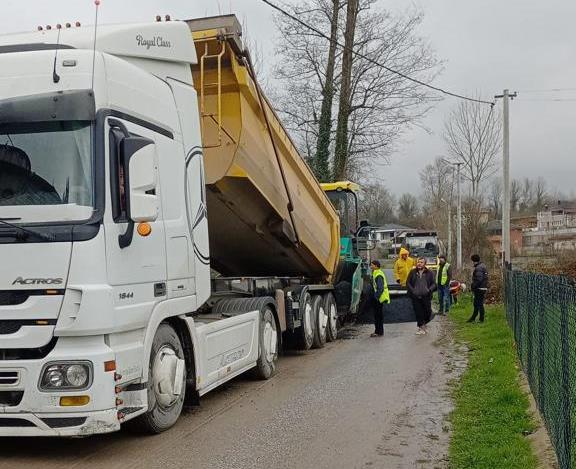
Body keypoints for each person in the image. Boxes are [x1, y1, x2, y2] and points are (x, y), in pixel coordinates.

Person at [407, 257, 437, 335]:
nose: (419, 263)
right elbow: (408, 283)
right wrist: (413, 290)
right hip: (415, 296)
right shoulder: (412, 272)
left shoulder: (429, 273)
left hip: (426, 296)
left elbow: (434, 283)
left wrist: (429, 290)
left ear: (425, 264)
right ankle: (421, 327)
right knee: (418, 312)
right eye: (418, 262)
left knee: (428, 312)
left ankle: (424, 323)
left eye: (421, 262)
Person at [369, 260, 390, 337]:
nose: (371, 266)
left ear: (376, 266)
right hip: (379, 297)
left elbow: (380, 288)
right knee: (378, 315)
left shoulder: (378, 274)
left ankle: (378, 332)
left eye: (372, 265)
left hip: (379, 298)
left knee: (378, 316)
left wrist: (376, 297)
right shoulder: (376, 273)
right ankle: (378, 331)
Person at [468, 254, 489, 323]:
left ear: (474, 261)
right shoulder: (483, 266)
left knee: (479, 304)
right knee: (476, 303)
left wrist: (473, 286)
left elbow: (478, 280)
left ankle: (481, 319)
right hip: (483, 287)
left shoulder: (478, 268)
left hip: (479, 288)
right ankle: (473, 317)